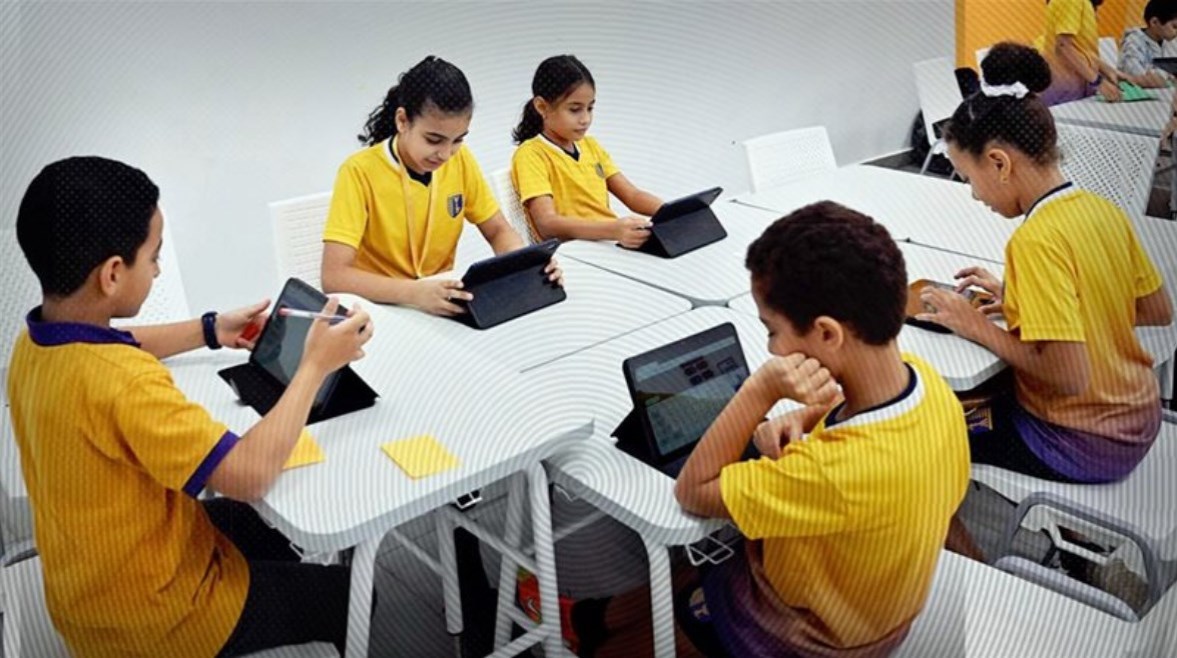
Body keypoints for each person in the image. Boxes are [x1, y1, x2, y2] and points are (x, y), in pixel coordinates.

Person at [8, 156, 373, 656]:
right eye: (153, 257)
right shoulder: (127, 384)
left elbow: (121, 341)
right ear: (113, 274)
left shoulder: (34, 345)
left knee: (268, 531)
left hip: (88, 592)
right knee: (351, 597)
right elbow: (247, 475)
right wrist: (314, 366)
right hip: (161, 619)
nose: (158, 269)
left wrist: (210, 329)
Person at [578, 202, 970, 657]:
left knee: (634, 635)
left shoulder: (829, 472)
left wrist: (759, 390)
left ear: (827, 334)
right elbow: (850, 406)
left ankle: (588, 632)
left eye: (771, 331)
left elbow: (694, 490)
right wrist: (803, 415)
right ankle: (590, 617)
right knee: (694, 573)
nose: (771, 348)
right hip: (876, 602)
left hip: (809, 633)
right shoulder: (928, 383)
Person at [920, 42, 1172, 484]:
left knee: (928, 422)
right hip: (1139, 418)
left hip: (1076, 440)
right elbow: (1157, 310)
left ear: (999, 164)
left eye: (969, 178)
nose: (974, 195)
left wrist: (975, 324)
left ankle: (951, 526)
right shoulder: (1101, 210)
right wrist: (1025, 301)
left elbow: (1068, 376)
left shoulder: (1035, 241)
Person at [322, 56, 561, 317]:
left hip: (437, 308)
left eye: (457, 140)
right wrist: (414, 293)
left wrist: (525, 267)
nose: (446, 154)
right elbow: (334, 277)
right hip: (379, 309)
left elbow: (498, 230)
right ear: (402, 121)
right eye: (433, 140)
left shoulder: (461, 160)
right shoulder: (358, 171)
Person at [510, 55, 663, 248]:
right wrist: (614, 229)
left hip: (608, 246)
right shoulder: (531, 154)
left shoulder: (591, 147)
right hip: (576, 252)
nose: (585, 119)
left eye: (590, 108)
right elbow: (547, 224)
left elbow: (632, 195)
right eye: (575, 110)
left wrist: (672, 211)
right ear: (542, 107)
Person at [1038, 0, 1125, 104]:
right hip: (1066, 92)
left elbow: (1083, 51)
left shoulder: (1083, 3)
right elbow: (1063, 46)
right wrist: (1099, 83)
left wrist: (1109, 71)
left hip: (1077, 91)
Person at [1119, 0, 1177, 89]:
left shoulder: (1168, 40)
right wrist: (1165, 76)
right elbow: (1136, 76)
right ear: (1154, 22)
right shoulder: (1133, 42)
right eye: (1175, 27)